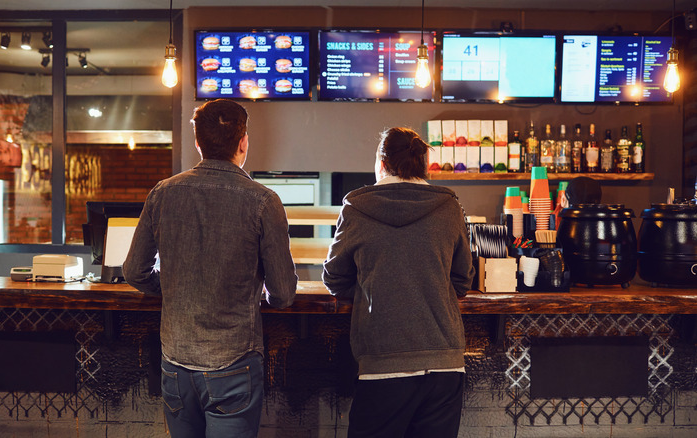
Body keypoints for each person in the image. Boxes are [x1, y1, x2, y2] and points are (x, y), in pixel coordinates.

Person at [122, 99, 298, 438]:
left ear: (198, 142)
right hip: (234, 362)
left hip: (176, 362)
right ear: (243, 142)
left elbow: (134, 272)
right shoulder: (263, 201)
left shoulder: (162, 193)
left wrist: (172, 286)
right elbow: (284, 294)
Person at [322, 127, 474, 438]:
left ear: (381, 163)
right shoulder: (448, 206)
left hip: (382, 362)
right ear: (425, 165)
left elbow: (334, 278)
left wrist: (371, 290)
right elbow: (462, 279)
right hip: (444, 364)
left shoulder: (356, 207)